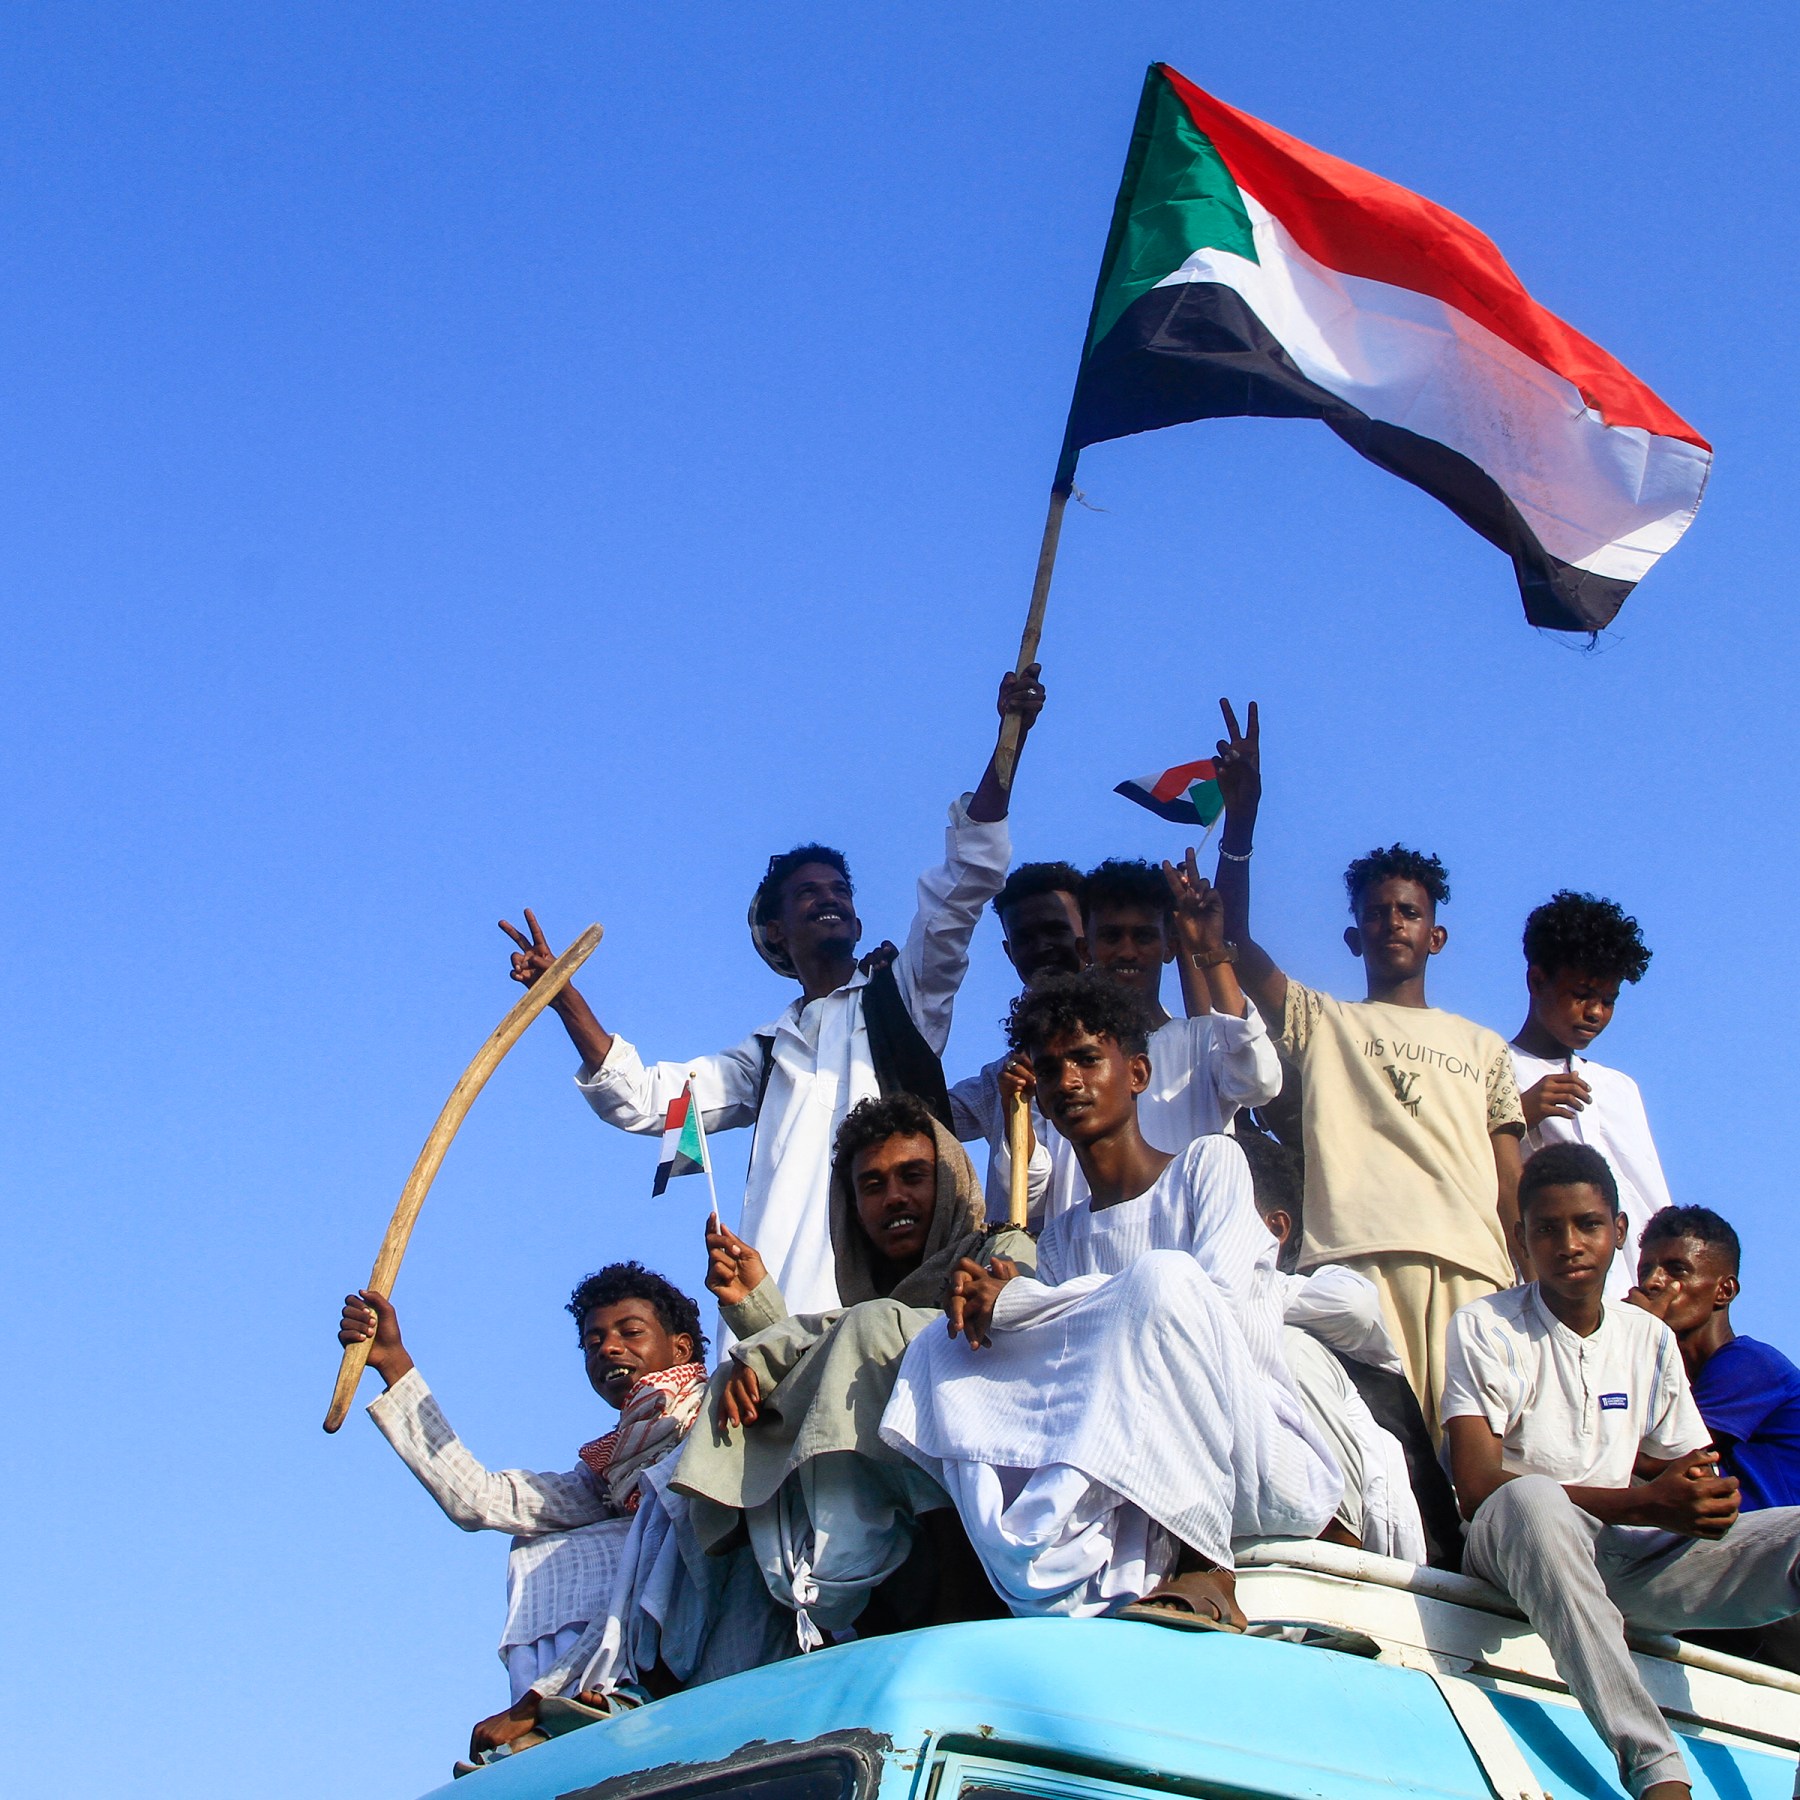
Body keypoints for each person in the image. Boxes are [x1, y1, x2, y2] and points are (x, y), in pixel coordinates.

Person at [501, 666, 1046, 1316]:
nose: (829, 899)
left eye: (840, 891)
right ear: (777, 932)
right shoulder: (766, 1055)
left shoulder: (904, 997)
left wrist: (1007, 742)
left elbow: (960, 886)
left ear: (858, 922)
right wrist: (562, 995)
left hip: (902, 1301)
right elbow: (646, 1099)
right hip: (780, 1312)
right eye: (808, 893)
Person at [881, 970, 1341, 1629]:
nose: (1068, 1081)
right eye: (1049, 1070)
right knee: (937, 1348)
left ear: (1138, 1074)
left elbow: (1218, 1315)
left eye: (1087, 1059)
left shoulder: (1208, 1165)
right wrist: (997, 1313)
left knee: (1165, 1281)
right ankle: (987, 1577)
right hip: (1133, 1473)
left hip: (1257, 1461)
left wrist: (1027, 1305)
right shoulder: (1061, 1237)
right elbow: (1069, 1368)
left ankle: (1207, 1569)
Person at [1441, 1144, 1800, 1800]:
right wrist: (1645, 1504)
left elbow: (1687, 1465)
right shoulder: (1486, 1325)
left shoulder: (1648, 1338)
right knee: (1534, 1500)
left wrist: (1704, 1499)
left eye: (1588, 1225)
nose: (1569, 1245)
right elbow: (1477, 1486)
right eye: (1547, 1229)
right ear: (1521, 1239)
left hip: (1621, 1561)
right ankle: (1658, 1772)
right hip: (1517, 1551)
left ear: (1619, 1231)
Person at [1209, 698, 1524, 1436]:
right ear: (1354, 936)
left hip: (1471, 1267)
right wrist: (1241, 824)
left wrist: (1530, 1283)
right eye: (1377, 913)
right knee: (1378, 1459)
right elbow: (1233, 942)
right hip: (1352, 1265)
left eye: (1408, 912)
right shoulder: (1323, 1022)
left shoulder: (1484, 1047)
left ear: (1436, 935)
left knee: (1473, 1459)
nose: (1392, 924)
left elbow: (1512, 1179)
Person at [674, 1095, 1036, 1647]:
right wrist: (760, 1322)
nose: (894, 1197)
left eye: (913, 1176)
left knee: (873, 1331)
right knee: (732, 1387)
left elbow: (954, 1335)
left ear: (949, 1180)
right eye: (872, 1185)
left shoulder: (1001, 1248)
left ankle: (942, 1586)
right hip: (904, 1557)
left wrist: (778, 1343)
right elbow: (839, 1362)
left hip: (997, 1498)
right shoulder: (864, 1305)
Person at [335, 1265, 709, 1761]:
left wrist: (535, 1702)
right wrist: (393, 1362)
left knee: (645, 1523)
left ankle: (588, 1699)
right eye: (593, 1341)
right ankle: (575, 1709)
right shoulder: (613, 1469)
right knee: (537, 1546)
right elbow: (480, 1499)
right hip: (640, 1636)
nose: (608, 1349)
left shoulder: (715, 1413)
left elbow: (658, 1555)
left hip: (722, 1618)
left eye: (630, 1332)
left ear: (681, 1349)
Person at [1003, 851, 1283, 1222]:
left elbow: (1260, 1083)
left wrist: (1211, 950)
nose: (1127, 951)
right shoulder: (1057, 1064)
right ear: (1086, 949)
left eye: (1144, 936)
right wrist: (1015, 1107)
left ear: (1169, 947)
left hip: (1186, 1243)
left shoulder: (1202, 1042)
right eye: (1112, 936)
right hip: (1083, 1249)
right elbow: (1028, 1194)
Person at [1238, 1128, 1431, 1564]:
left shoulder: (1330, 1288)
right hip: (1259, 1512)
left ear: (1275, 1228)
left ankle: (1338, 1542)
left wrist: (1229, 1293)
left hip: (1392, 1528)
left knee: (1290, 1347)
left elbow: (1354, 1308)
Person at [1511, 890, 1670, 1301]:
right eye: (1582, 995)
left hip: (1630, 1301)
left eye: (1608, 1000)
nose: (1595, 1012)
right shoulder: (1490, 1067)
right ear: (1537, 981)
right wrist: (1517, 1114)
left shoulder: (1618, 1088)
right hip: (1539, 1295)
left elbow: (1650, 1198)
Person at [1631, 1206, 1800, 1510]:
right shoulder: (1676, 1377)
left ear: (1724, 1290)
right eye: (1646, 1271)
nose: (1652, 1282)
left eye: (1676, 1270)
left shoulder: (1750, 1364)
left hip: (1775, 1530)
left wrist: (1631, 1338)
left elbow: (1653, 1460)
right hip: (1710, 1533)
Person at [947, 860, 1087, 1216]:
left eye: (1056, 930)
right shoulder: (1000, 1082)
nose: (1042, 947)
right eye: (1025, 938)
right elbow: (928, 1116)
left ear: (1089, 933)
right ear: (1009, 953)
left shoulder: (1137, 1050)